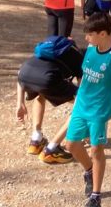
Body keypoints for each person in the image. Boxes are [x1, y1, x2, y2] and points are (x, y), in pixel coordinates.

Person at [63, 12, 111, 207]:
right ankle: (89, 170)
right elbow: (84, 76)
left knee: (96, 149)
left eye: (90, 34)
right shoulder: (91, 49)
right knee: (71, 145)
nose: (86, 38)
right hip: (82, 106)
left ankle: (96, 195)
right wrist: (77, 99)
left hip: (99, 111)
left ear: (103, 34)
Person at [14, 35, 84, 164]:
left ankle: (36, 140)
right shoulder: (80, 58)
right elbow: (82, 91)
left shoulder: (47, 50)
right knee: (83, 107)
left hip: (25, 73)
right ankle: (51, 149)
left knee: (41, 94)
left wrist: (20, 103)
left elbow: (20, 73)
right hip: (47, 78)